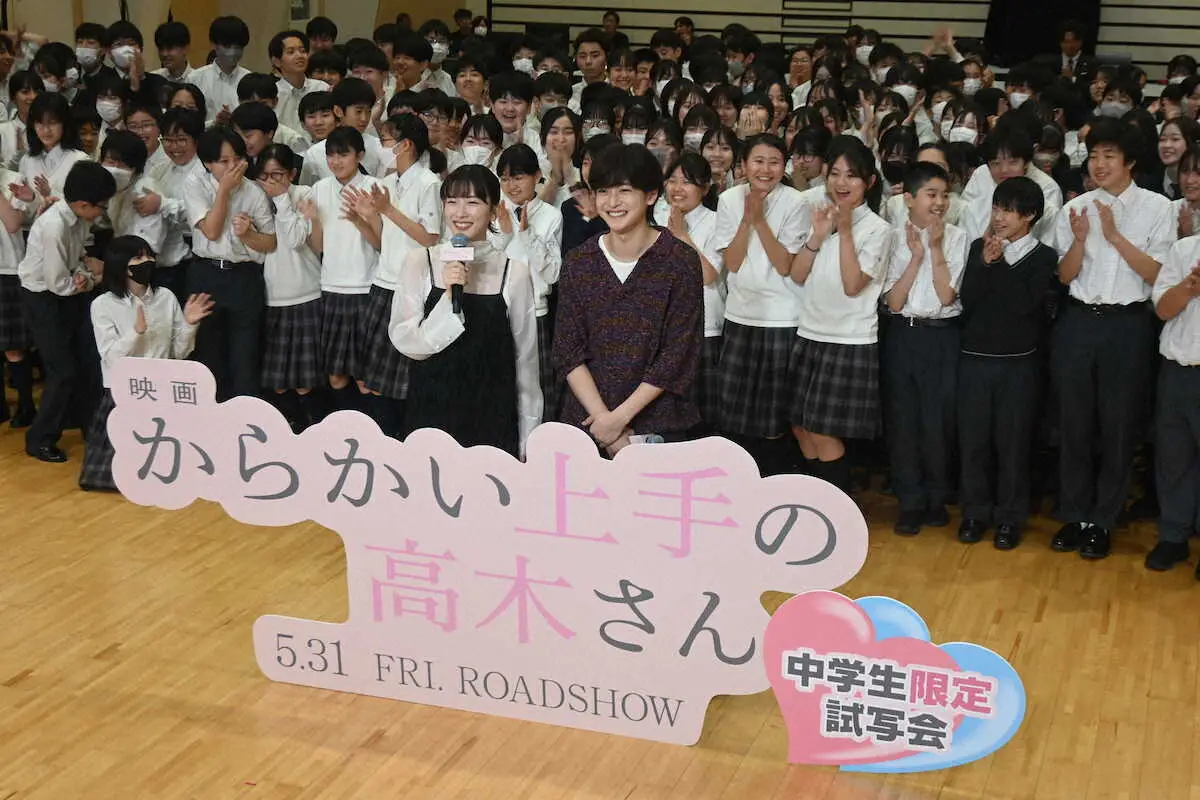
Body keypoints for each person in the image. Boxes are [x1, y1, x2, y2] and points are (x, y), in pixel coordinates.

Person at [1050, 118, 1177, 559]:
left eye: (1109, 155)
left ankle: (1102, 520)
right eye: (1093, 156)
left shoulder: (1158, 208)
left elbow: (1158, 274)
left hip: (1128, 324)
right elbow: (1064, 276)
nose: (1099, 164)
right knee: (1074, 422)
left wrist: (1114, 236)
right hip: (1079, 321)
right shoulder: (1076, 207)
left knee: (1118, 426)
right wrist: (1080, 241)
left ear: (1130, 161)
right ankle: (1074, 514)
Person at [554, 143, 702, 452]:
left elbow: (677, 354)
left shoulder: (680, 261)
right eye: (603, 191)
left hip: (658, 424)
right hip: (588, 424)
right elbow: (568, 350)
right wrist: (604, 422)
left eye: (624, 191)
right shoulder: (579, 262)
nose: (612, 202)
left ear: (651, 195)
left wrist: (619, 420)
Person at [389, 165, 540, 457]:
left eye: (472, 202)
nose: (460, 212)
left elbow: (526, 359)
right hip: (431, 411)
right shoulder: (420, 261)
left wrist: (529, 437)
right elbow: (407, 341)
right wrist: (448, 297)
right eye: (452, 202)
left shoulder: (514, 271)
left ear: (493, 211)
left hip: (492, 415)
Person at [788, 136, 893, 493]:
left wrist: (845, 231)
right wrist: (818, 237)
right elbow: (797, 274)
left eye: (852, 175)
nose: (841, 182)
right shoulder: (819, 215)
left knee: (822, 429)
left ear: (870, 182)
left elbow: (853, 285)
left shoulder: (878, 229)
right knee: (800, 425)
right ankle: (817, 498)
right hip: (809, 332)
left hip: (848, 339)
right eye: (834, 173)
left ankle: (838, 505)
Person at [957, 176, 1057, 549]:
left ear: (1029, 215)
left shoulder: (1044, 257)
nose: (999, 217)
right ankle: (974, 513)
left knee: (1013, 444)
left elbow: (1023, 305)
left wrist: (996, 265)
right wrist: (983, 264)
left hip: (1018, 364)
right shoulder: (978, 248)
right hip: (974, 360)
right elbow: (968, 300)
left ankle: (1009, 518)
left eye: (1009, 211)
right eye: (997, 208)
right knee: (973, 442)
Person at [79, 235, 212, 490]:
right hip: (125, 391)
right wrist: (135, 333)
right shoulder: (103, 305)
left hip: (162, 387)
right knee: (113, 477)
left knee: (172, 474)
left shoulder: (166, 297)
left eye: (149, 255)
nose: (147, 261)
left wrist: (189, 324)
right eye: (138, 257)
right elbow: (110, 357)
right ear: (121, 265)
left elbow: (178, 353)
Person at [712, 133, 808, 475]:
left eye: (774, 162)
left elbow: (784, 265)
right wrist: (746, 218)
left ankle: (773, 479)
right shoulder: (729, 199)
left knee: (773, 413)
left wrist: (761, 220)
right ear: (743, 165)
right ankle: (739, 480)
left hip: (782, 318)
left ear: (785, 166)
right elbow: (733, 262)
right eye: (758, 161)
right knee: (734, 408)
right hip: (740, 315)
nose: (765, 169)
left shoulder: (796, 202)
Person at [882, 162, 969, 535]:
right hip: (902, 334)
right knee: (903, 420)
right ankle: (910, 501)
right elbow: (894, 302)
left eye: (944, 195)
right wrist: (915, 257)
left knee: (938, 421)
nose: (939, 203)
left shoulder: (959, 238)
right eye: (931, 194)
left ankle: (936, 497)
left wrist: (933, 249)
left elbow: (947, 295)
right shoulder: (890, 237)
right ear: (909, 198)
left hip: (942, 336)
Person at [17, 161, 116, 462]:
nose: (102, 212)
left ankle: (89, 426)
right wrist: (93, 279)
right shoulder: (54, 226)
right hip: (44, 299)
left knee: (86, 361)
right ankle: (40, 439)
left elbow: (77, 258)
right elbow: (58, 283)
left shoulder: (76, 216)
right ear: (83, 204)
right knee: (62, 371)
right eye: (101, 207)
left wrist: (85, 273)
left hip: (68, 294)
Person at [358, 114, 441, 435]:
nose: (380, 148)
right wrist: (367, 217)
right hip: (382, 282)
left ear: (405, 145)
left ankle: (405, 441)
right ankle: (381, 441)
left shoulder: (428, 183)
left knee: (403, 381)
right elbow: (386, 239)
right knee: (374, 380)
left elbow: (430, 237)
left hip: (411, 288)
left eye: (385, 141)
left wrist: (387, 210)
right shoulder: (387, 184)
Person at [183, 125, 277, 400]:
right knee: (208, 354)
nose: (233, 166)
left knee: (245, 355)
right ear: (207, 163)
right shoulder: (195, 184)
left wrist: (248, 235)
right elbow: (211, 231)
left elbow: (270, 243)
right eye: (224, 161)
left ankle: (246, 418)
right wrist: (224, 191)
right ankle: (210, 416)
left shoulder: (254, 191)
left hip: (244, 276)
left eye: (238, 158)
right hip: (206, 273)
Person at [301, 125, 382, 412]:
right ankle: (343, 426)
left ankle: (370, 429)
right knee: (335, 374)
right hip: (331, 287)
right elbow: (318, 246)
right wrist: (313, 220)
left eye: (343, 154)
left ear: (359, 155)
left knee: (365, 377)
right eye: (331, 155)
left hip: (367, 288)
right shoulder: (319, 189)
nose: (335, 161)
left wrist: (367, 217)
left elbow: (382, 244)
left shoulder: (375, 188)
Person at [251, 144, 325, 431]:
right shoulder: (254, 197)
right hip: (272, 295)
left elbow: (295, 239)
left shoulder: (303, 194)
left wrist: (282, 199)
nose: (270, 182)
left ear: (292, 174)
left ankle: (313, 428)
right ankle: (289, 427)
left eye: (277, 175)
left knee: (306, 381)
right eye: (264, 176)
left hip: (307, 292)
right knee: (278, 381)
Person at [1146, 206, 1200, 572]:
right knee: (1173, 457)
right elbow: (1163, 309)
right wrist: (1189, 287)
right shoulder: (1184, 250)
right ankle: (1173, 536)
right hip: (1177, 370)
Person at [495, 144, 564, 420]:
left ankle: (538, 440)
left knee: (536, 385)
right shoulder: (495, 212)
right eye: (505, 178)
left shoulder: (551, 215)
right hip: (499, 308)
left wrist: (526, 235)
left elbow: (553, 274)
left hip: (535, 311)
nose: (511, 186)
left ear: (536, 176)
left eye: (518, 177)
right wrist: (504, 235)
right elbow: (486, 261)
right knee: (501, 383)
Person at [662, 152, 724, 430]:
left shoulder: (716, 221)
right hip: (666, 329)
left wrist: (682, 236)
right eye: (672, 180)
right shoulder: (655, 218)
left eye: (687, 182)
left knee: (704, 417)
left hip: (705, 328)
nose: (677, 188)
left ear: (705, 188)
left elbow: (709, 275)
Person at [0, 157, 35, 427]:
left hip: (9, 269)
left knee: (14, 346)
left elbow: (13, 224)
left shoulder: (14, 179)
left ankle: (27, 405)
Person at [190, 16, 251, 125]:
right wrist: (214, 123)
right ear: (213, 44)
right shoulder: (196, 78)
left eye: (238, 47)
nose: (233, 53)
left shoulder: (249, 79)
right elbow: (189, 122)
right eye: (227, 46)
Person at [272, 30, 328, 136]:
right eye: (291, 52)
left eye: (302, 51)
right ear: (277, 61)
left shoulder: (322, 87)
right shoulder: (273, 93)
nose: (299, 56)